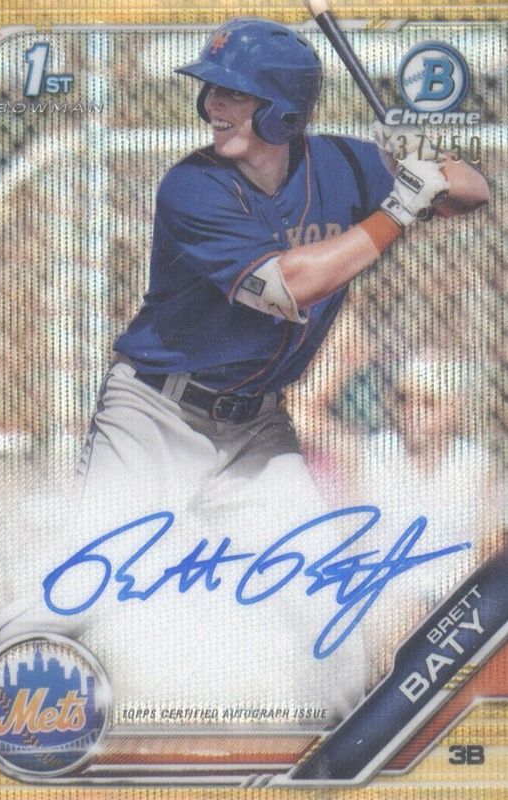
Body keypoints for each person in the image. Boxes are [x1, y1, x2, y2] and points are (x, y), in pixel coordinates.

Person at [74, 18, 489, 724]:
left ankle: (334, 755)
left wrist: (433, 169)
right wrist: (398, 207)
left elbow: (474, 192)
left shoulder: (346, 164)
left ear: (284, 110)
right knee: (88, 590)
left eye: (235, 94)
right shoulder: (192, 186)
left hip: (257, 429)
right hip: (155, 415)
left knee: (324, 606)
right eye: (212, 91)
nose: (214, 106)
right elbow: (287, 287)